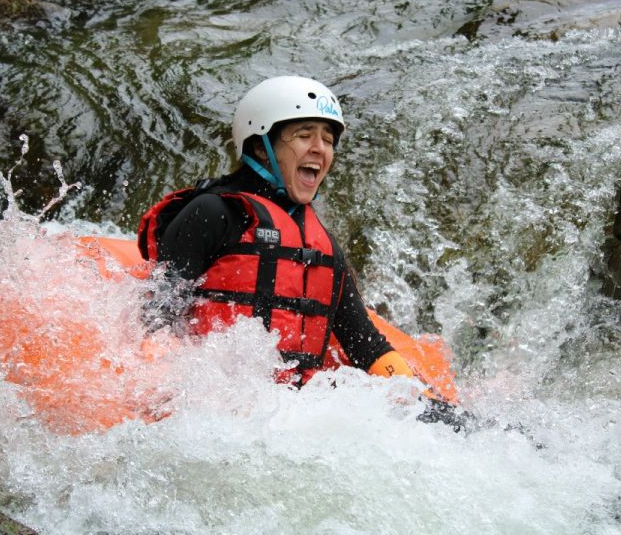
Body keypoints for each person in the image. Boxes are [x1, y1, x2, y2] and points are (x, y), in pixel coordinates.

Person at [136, 75, 431, 391]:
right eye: (305, 136)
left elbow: (366, 345)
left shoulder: (323, 245)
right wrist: (160, 385)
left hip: (292, 410)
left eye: (328, 140)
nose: (320, 149)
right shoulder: (212, 213)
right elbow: (160, 316)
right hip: (214, 397)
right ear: (262, 149)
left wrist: (424, 398)